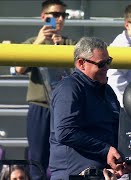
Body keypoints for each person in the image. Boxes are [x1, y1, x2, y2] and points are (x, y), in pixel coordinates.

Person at [14, 0, 76, 179]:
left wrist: (60, 48)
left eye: (63, 15)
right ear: (43, 17)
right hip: (40, 107)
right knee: (38, 158)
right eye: (55, 15)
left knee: (66, 156)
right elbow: (19, 69)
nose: (60, 19)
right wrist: (40, 42)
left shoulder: (70, 43)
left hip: (65, 109)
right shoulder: (33, 42)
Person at [49, 37, 124, 179]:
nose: (107, 67)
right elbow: (65, 132)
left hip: (101, 173)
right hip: (74, 175)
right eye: (101, 64)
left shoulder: (107, 91)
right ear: (81, 63)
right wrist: (105, 150)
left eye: (108, 61)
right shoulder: (69, 88)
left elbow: (117, 128)